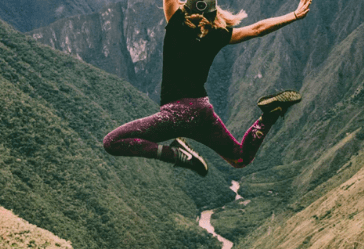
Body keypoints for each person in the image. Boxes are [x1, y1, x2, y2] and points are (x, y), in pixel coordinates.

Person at [103, 0, 312, 177]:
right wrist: (293, 15)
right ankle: (268, 116)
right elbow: (257, 29)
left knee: (112, 142)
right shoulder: (219, 34)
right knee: (240, 157)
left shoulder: (176, 24)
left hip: (175, 114)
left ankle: (178, 155)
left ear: (186, 8)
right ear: (214, 13)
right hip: (202, 111)